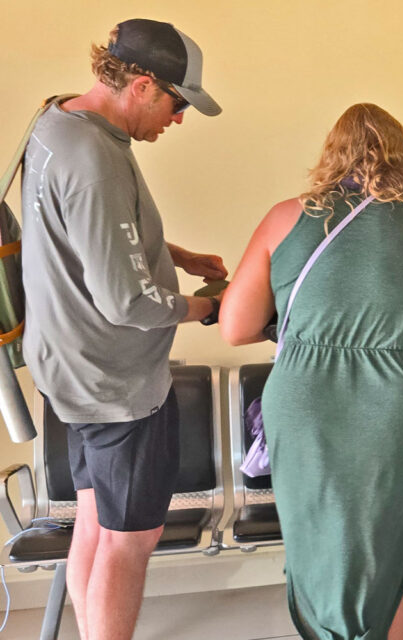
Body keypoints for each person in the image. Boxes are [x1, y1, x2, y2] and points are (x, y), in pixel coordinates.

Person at [219, 103, 403, 640]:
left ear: (332, 156)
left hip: (307, 398)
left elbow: (235, 329)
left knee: (319, 541)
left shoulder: (286, 216)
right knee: (391, 544)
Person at [20, 19, 226, 640]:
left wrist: (177, 254)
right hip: (116, 386)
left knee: (95, 523)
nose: (179, 119)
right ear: (140, 85)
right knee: (130, 541)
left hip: (68, 366)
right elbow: (129, 301)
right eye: (176, 102)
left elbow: (88, 236)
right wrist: (202, 307)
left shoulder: (56, 123)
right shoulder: (96, 160)